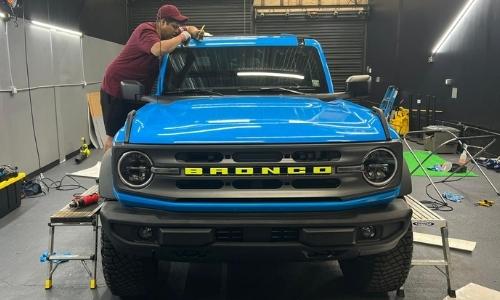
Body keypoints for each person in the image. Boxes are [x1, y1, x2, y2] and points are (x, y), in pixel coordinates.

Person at [100, 4, 203, 151]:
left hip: (137, 90)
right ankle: (110, 168)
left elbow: (187, 28)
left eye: (178, 28)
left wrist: (193, 30)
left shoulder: (169, 31)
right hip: (117, 88)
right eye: (174, 27)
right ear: (162, 23)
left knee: (137, 134)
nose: (176, 30)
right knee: (115, 135)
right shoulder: (146, 30)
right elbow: (158, 49)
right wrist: (183, 36)